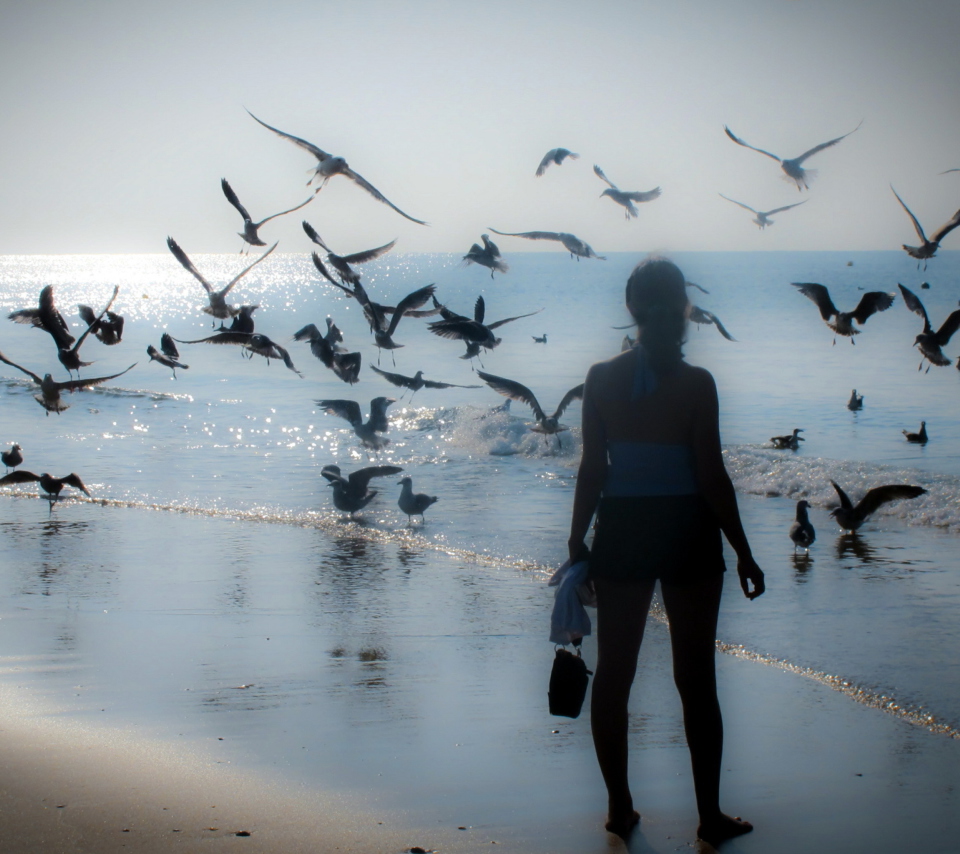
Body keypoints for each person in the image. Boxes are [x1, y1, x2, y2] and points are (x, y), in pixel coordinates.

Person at [567, 257, 765, 845]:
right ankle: (708, 817)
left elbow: (591, 471)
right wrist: (745, 551)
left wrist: (577, 541)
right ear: (683, 309)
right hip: (687, 528)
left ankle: (619, 808)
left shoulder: (601, 377)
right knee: (696, 679)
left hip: (623, 529)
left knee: (615, 676)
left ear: (630, 307)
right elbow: (712, 477)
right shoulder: (697, 384)